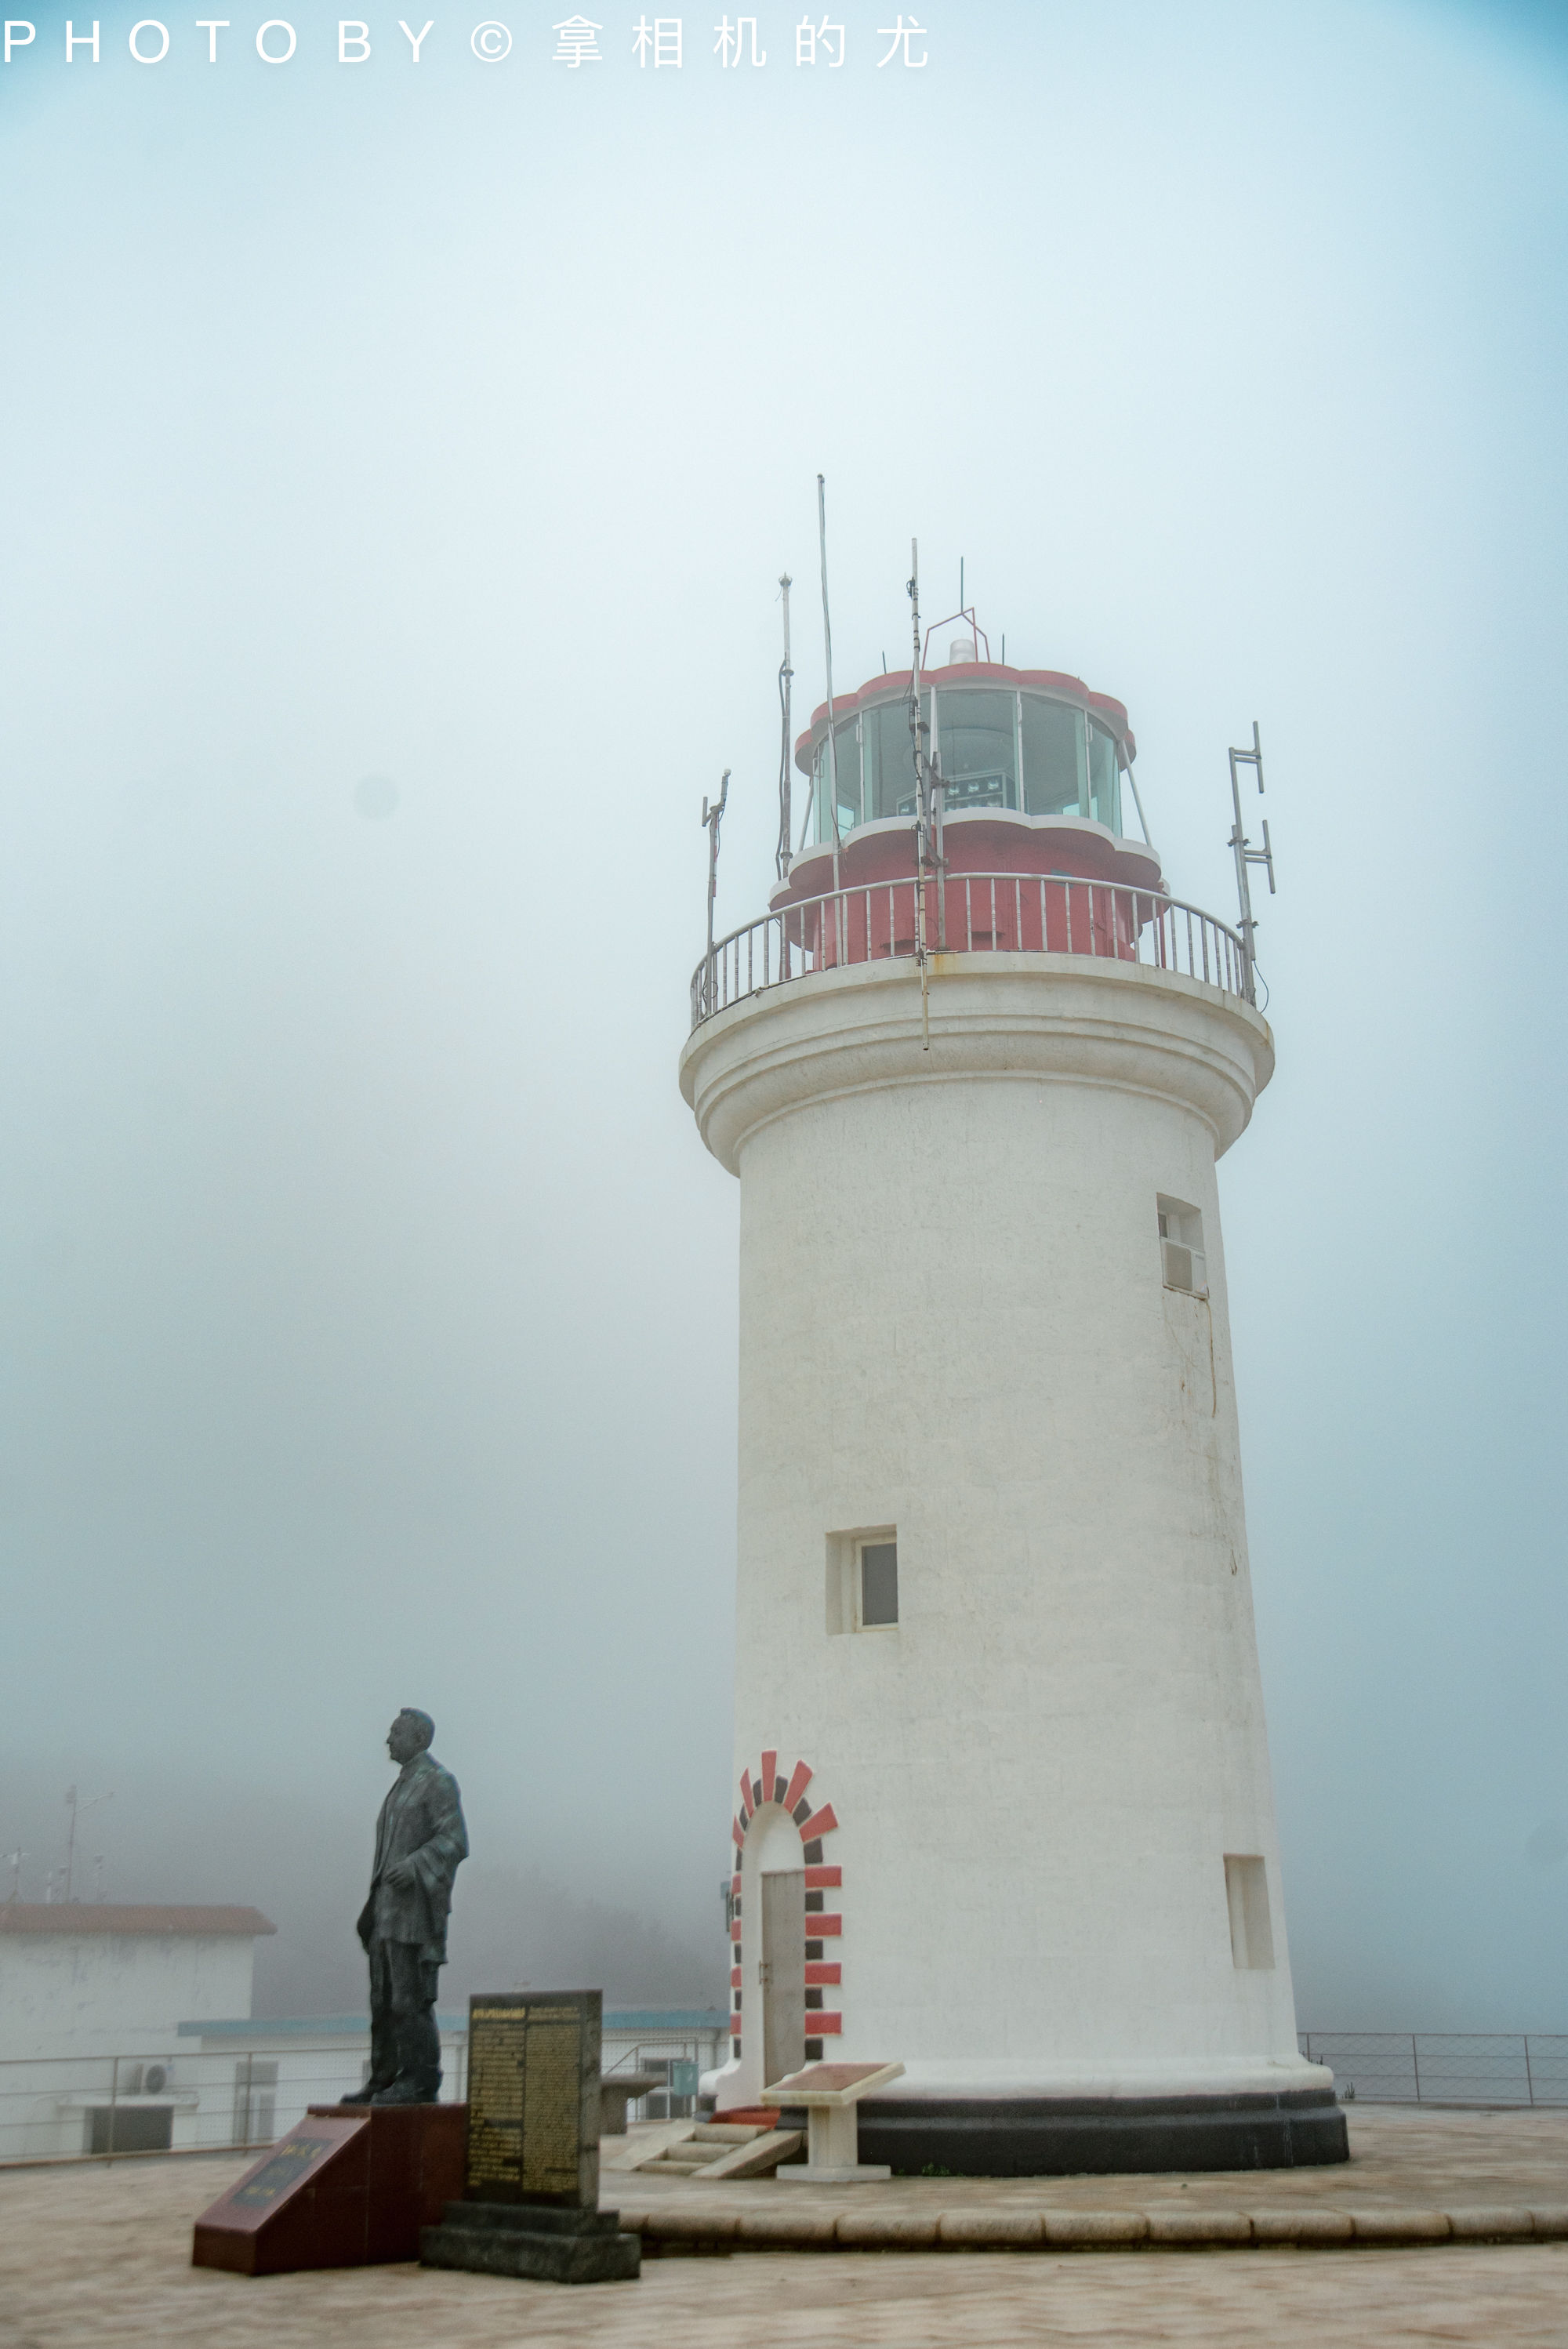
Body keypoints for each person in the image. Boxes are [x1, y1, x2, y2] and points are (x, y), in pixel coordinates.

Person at [343, 1708, 468, 2106]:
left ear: (419, 1738)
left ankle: (419, 2079)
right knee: (381, 1998)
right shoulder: (400, 1786)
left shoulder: (438, 1782)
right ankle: (384, 2077)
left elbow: (455, 1841)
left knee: (408, 1999)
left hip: (413, 1912)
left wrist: (415, 1866)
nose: (388, 1739)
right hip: (384, 1909)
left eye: (395, 1732)